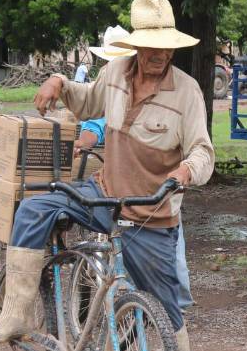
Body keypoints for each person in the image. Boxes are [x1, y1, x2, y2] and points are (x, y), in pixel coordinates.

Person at [0, 0, 215, 351]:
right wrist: (59, 83)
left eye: (166, 47)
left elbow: (203, 152)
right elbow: (87, 102)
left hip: (149, 212)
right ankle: (17, 312)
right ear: (138, 46)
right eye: (152, 46)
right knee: (34, 209)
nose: (160, 54)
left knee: (167, 304)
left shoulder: (187, 92)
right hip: (104, 196)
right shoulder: (115, 74)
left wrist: (185, 172)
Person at [74, 114, 196, 314]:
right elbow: (96, 125)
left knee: (174, 258)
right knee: (130, 251)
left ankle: (174, 306)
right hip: (127, 192)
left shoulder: (169, 112)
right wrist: (83, 143)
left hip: (160, 197)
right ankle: (138, 306)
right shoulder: (118, 105)